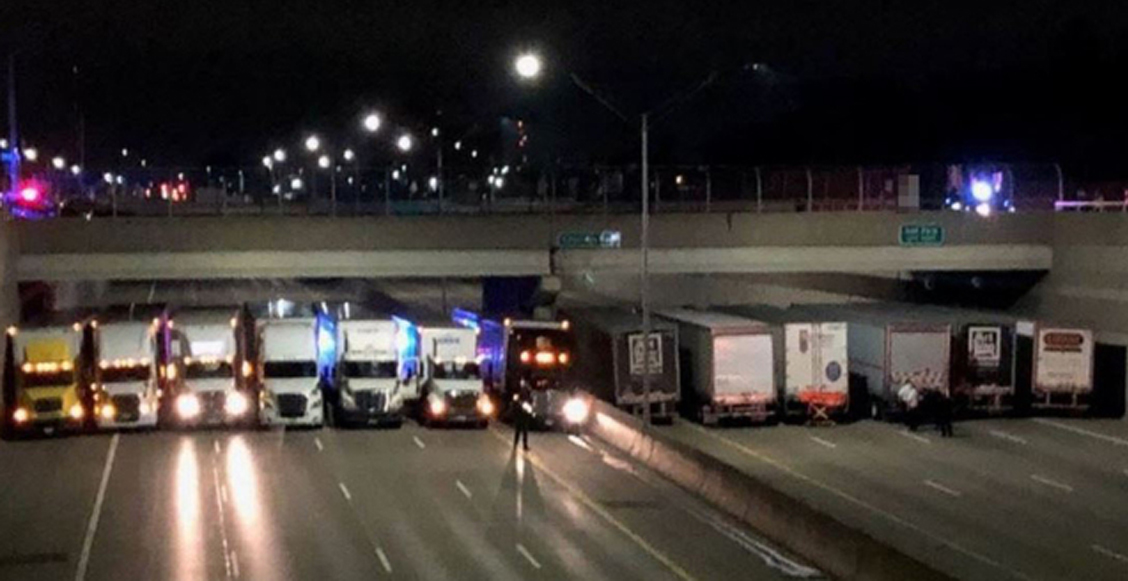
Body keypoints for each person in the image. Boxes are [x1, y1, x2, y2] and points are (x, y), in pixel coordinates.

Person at [513, 381, 533, 451]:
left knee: (519, 430)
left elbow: (515, 403)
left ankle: (516, 444)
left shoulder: (520, 395)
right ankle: (524, 445)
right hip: (523, 415)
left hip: (521, 415)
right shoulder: (527, 396)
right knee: (524, 431)